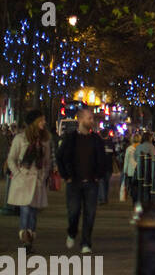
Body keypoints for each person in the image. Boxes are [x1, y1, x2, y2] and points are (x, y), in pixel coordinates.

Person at [55, 105, 113, 253]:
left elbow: (103, 158)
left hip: (91, 183)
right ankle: (72, 232)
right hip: (73, 182)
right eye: (89, 118)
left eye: (92, 118)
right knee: (73, 212)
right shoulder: (71, 138)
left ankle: (86, 242)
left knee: (90, 214)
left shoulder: (96, 139)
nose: (92, 120)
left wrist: (99, 175)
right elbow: (60, 157)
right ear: (80, 119)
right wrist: (66, 176)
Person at [7, 110, 51, 246]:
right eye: (41, 120)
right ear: (34, 122)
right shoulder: (20, 139)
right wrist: (18, 174)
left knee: (33, 211)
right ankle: (25, 235)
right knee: (25, 208)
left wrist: (43, 176)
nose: (44, 122)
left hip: (37, 179)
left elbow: (47, 161)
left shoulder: (45, 141)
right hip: (24, 179)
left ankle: (30, 235)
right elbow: (11, 159)